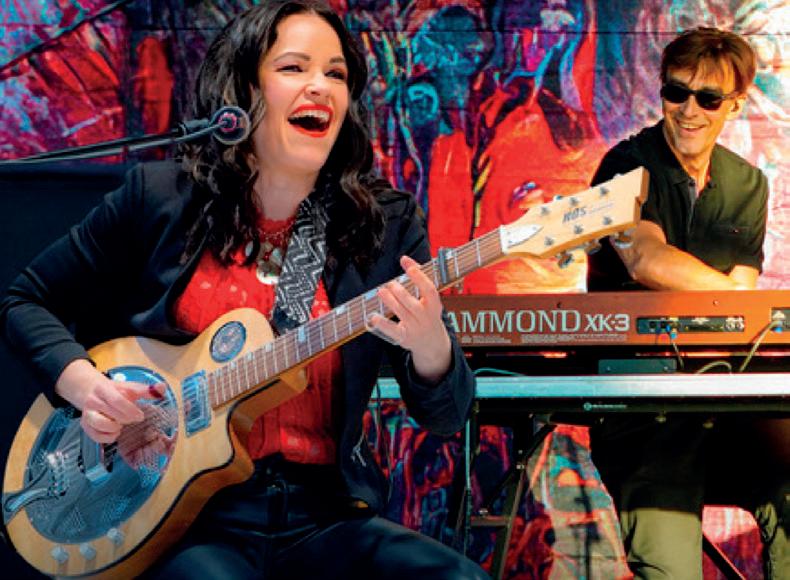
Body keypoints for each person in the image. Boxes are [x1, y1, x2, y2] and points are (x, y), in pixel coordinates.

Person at [0, 2, 488, 579]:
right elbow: (23, 300)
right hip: (187, 520)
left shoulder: (383, 223)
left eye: (335, 73)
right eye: (293, 68)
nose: (320, 86)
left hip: (324, 516)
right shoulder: (161, 198)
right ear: (241, 92)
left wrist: (432, 347)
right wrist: (86, 387)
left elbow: (447, 416)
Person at [587, 27, 788, 579]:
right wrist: (736, 296)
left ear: (735, 105)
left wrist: (739, 299)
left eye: (708, 98)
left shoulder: (748, 184)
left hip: (725, 403)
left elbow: (743, 304)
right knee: (671, 566)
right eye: (676, 92)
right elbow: (645, 259)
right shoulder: (625, 165)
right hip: (642, 407)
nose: (689, 110)